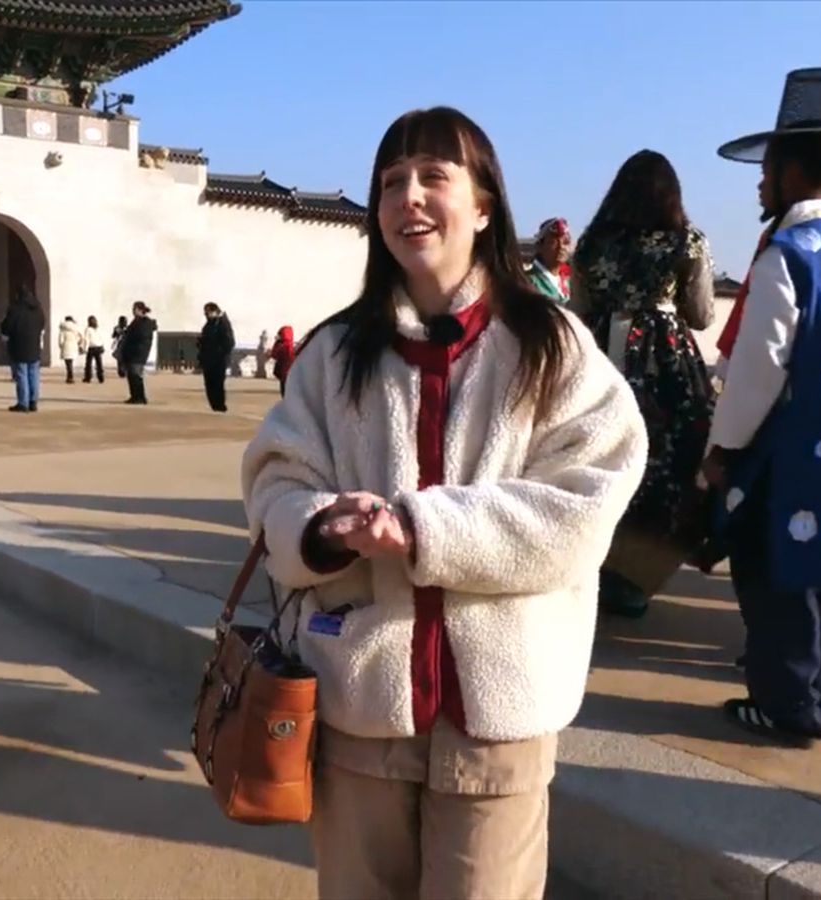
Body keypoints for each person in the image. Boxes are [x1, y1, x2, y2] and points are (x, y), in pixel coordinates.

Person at [242, 106, 646, 899]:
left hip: (497, 717)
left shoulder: (552, 345)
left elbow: (586, 501)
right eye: (391, 182)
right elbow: (273, 481)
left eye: (434, 176)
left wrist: (427, 527)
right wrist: (321, 528)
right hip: (360, 707)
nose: (409, 198)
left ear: (485, 204)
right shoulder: (333, 353)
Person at [706, 67, 821, 746]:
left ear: (791, 172)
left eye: (768, 169)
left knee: (774, 582)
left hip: (788, 458)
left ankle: (787, 706)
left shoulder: (785, 255)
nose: (760, 183)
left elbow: (758, 371)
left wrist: (723, 447)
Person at [569, 150, 718, 618]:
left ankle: (585, 566)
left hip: (599, 358)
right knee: (670, 461)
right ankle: (634, 578)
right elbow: (702, 314)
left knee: (590, 456)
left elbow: (579, 308)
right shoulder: (687, 242)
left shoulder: (593, 243)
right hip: (664, 362)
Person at [0, 284, 45, 412]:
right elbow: (42, 323)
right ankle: (33, 401)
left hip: (19, 344)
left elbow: (7, 325)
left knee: (22, 373)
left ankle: (23, 402)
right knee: (34, 373)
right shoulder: (37, 308)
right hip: (34, 344)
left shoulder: (15, 309)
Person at [197, 302, 236, 412]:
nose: (206, 315)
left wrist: (220, 352)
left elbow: (229, 342)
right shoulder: (209, 324)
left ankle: (220, 405)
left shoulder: (223, 324)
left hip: (219, 360)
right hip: (208, 359)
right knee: (209, 384)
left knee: (218, 383)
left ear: (215, 311)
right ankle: (214, 405)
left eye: (208, 312)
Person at [526, 217, 573, 303]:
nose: (561, 247)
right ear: (539, 246)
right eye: (554, 242)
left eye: (566, 242)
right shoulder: (528, 282)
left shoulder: (569, 283)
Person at [118, 302, 157, 405]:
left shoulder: (145, 322)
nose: (133, 311)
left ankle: (140, 397)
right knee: (132, 375)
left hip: (138, 352)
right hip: (132, 351)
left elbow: (141, 336)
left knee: (136, 375)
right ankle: (135, 396)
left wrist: (129, 334)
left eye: (135, 309)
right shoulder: (137, 321)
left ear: (140, 310)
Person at [269, 325, 296, 397]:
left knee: (285, 394)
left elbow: (274, 354)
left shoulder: (284, 346)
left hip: (285, 373)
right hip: (287, 373)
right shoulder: (288, 345)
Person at [57, 315, 83, 384]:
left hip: (66, 347)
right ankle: (70, 377)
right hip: (73, 347)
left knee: (68, 364)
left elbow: (60, 341)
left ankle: (70, 377)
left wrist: (61, 347)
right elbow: (79, 339)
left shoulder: (62, 330)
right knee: (71, 362)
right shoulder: (75, 329)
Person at [82, 315, 106, 383]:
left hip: (91, 347)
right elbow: (101, 338)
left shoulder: (88, 329)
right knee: (99, 363)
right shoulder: (98, 329)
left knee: (88, 363)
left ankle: (88, 377)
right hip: (98, 347)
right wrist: (102, 345)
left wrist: (85, 349)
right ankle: (101, 377)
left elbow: (86, 340)